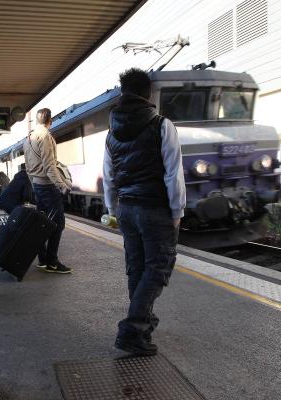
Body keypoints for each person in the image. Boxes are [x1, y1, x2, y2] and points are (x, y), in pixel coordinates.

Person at [103, 68, 186, 356]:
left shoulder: (111, 131)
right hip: (155, 208)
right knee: (158, 268)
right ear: (147, 93)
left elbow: (109, 175)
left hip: (126, 208)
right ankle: (132, 329)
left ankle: (143, 325)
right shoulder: (162, 125)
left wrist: (113, 209)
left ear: (122, 92)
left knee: (137, 269)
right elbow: (173, 174)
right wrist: (177, 212)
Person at [24, 108, 73, 274]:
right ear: (49, 120)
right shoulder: (45, 136)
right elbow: (49, 166)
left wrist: (33, 183)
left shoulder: (28, 138)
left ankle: (43, 258)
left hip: (37, 185)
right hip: (47, 186)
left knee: (42, 222)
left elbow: (28, 167)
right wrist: (62, 185)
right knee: (58, 223)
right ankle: (52, 262)